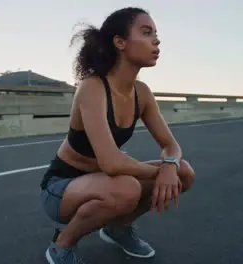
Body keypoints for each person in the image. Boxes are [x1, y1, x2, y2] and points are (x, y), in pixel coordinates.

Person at [39, 6, 196, 264]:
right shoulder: (93, 87)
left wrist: (171, 164)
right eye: (146, 33)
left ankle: (118, 228)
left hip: (104, 181)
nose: (156, 40)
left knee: (184, 172)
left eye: (156, 34)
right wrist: (164, 170)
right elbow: (111, 163)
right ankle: (61, 245)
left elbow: (171, 146)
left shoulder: (142, 93)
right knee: (127, 188)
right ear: (120, 42)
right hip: (61, 188)